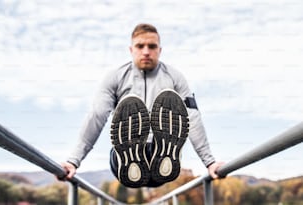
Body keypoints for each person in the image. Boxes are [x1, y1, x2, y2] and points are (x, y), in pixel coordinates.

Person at [60, 23, 223, 188]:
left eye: (152, 46)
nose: (146, 51)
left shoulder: (175, 77)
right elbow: (97, 115)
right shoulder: (115, 77)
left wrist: (210, 162)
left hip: (160, 162)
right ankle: (133, 156)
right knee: (121, 152)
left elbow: (192, 117)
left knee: (158, 152)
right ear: (131, 49)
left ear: (160, 50)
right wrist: (73, 161)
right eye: (140, 46)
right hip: (124, 161)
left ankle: (162, 154)